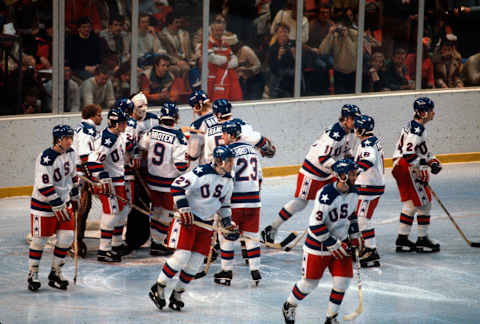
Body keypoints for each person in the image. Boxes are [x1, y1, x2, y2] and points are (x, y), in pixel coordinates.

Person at [148, 145, 238, 311]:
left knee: (195, 263)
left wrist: (227, 223)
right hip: (189, 221)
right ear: (219, 161)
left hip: (206, 224)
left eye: (232, 161)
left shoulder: (229, 179)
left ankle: (177, 293)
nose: (232, 164)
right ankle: (159, 287)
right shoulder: (201, 172)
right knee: (182, 256)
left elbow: (224, 205)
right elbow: (176, 186)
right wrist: (184, 208)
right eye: (229, 161)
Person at [262, 104, 360, 244]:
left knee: (341, 198)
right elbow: (322, 157)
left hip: (329, 172)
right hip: (312, 172)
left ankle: (343, 235)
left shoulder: (350, 134)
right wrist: (339, 167)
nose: (356, 122)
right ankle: (271, 228)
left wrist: (351, 165)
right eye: (353, 118)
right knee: (300, 203)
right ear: (345, 119)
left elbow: (346, 152)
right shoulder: (334, 135)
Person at [281, 158, 362, 324]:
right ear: (342, 175)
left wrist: (354, 237)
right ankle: (289, 305)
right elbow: (315, 225)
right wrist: (332, 243)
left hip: (340, 243)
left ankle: (331, 317)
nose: (356, 177)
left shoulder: (355, 191)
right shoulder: (326, 195)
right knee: (309, 284)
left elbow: (352, 216)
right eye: (352, 174)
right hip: (318, 245)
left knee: (343, 280)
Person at [27, 125, 79, 291]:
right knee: (39, 240)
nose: (70, 141)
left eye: (71, 137)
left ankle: (55, 273)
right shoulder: (46, 158)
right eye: (67, 138)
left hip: (63, 203)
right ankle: (33, 273)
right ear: (58, 140)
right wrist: (56, 203)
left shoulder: (71, 153)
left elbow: (73, 175)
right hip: (43, 205)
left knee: (67, 237)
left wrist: (75, 194)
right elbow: (43, 186)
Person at [214, 120, 263, 286]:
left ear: (231, 135)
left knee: (226, 236)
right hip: (254, 201)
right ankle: (255, 270)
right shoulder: (253, 150)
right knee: (251, 236)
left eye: (224, 134)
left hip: (235, 201)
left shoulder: (228, 152)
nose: (222, 137)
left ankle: (226, 272)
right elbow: (260, 177)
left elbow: (227, 177)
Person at [137, 101, 189, 256]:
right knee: (166, 213)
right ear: (175, 117)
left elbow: (141, 147)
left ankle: (155, 240)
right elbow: (181, 166)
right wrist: (189, 161)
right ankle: (158, 243)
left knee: (156, 210)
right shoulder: (178, 136)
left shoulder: (152, 131)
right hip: (168, 183)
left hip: (152, 180)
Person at [392, 97, 442, 253]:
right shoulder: (417, 130)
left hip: (399, 166)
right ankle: (422, 239)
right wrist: (426, 164)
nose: (433, 112)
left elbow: (421, 150)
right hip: (406, 167)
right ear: (422, 113)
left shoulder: (414, 125)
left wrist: (432, 161)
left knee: (410, 204)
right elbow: (409, 155)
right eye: (430, 110)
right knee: (424, 203)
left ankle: (402, 238)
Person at [86, 107, 128, 262]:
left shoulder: (118, 136)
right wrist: (103, 178)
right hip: (110, 183)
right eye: (122, 123)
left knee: (121, 212)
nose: (125, 125)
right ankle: (103, 251)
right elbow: (93, 162)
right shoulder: (107, 139)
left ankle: (115, 244)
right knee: (111, 214)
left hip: (118, 180)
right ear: (115, 123)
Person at [353, 115, 385, 268]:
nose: (355, 130)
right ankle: (363, 246)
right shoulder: (372, 141)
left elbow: (368, 160)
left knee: (362, 217)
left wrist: (353, 172)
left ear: (362, 129)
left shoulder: (367, 144)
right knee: (359, 216)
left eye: (357, 127)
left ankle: (371, 250)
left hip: (369, 186)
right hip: (371, 184)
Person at [72, 104, 103, 257]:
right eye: (99, 114)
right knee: (81, 208)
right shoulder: (87, 129)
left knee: (84, 207)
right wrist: (92, 177)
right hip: (81, 173)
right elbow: (85, 156)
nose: (101, 117)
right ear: (93, 115)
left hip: (79, 172)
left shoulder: (81, 127)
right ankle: (74, 242)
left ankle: (77, 240)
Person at [212, 98, 276, 159]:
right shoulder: (241, 124)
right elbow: (260, 140)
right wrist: (267, 147)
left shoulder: (211, 128)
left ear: (218, 114)